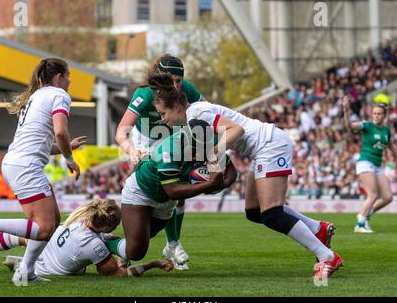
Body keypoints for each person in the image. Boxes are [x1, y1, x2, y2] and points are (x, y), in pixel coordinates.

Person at [147, 72, 344, 280]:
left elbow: (237, 130)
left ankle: (327, 256)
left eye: (163, 113)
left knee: (271, 213)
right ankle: (317, 228)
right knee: (254, 212)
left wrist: (212, 152)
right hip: (261, 148)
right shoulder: (191, 121)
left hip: (270, 144)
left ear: (176, 106)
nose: (162, 119)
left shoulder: (197, 114)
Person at [0, 58, 86, 285]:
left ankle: (25, 273)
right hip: (25, 167)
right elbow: (60, 132)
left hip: (17, 163)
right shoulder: (59, 95)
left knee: (51, 222)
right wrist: (70, 158)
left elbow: (43, 144)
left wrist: (68, 147)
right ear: (58, 77)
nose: (69, 82)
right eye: (68, 77)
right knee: (46, 227)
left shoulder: (36, 96)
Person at [115, 54, 204, 269]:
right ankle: (127, 247)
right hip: (144, 140)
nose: (175, 85)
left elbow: (203, 116)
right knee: (147, 190)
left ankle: (172, 243)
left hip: (172, 137)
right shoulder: (144, 94)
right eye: (170, 80)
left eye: (179, 81)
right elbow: (121, 132)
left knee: (177, 192)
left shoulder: (188, 90)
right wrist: (132, 150)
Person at [107, 120, 237, 267]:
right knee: (135, 253)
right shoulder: (167, 150)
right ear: (184, 140)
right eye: (195, 149)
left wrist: (221, 184)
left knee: (147, 235)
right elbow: (173, 191)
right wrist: (209, 185)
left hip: (166, 199)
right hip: (142, 191)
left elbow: (231, 168)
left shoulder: (206, 141)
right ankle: (106, 242)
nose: (198, 154)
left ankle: (125, 246)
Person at [0, 199, 173, 278]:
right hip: (50, 270)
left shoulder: (80, 218)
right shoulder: (95, 246)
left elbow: (104, 237)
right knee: (81, 269)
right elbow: (118, 274)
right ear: (108, 224)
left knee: (28, 237)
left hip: (49, 251)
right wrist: (152, 264)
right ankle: (23, 266)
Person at [342, 96, 397, 233]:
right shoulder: (367, 125)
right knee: (372, 195)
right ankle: (360, 225)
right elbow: (349, 126)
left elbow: (391, 147)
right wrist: (345, 110)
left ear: (384, 116)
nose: (376, 116)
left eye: (379, 114)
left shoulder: (385, 131)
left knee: (388, 197)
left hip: (377, 166)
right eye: (374, 113)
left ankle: (365, 214)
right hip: (365, 162)